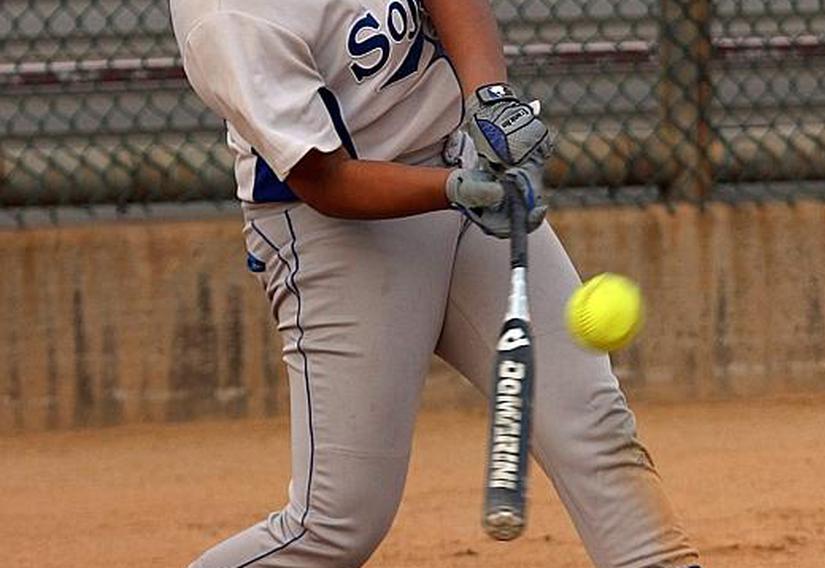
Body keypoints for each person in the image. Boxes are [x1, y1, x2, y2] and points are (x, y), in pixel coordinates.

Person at [170, 1, 702, 567]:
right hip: (340, 236)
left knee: (593, 428)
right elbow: (323, 180)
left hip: (460, 161)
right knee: (334, 527)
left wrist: (490, 99)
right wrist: (450, 190)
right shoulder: (229, 18)